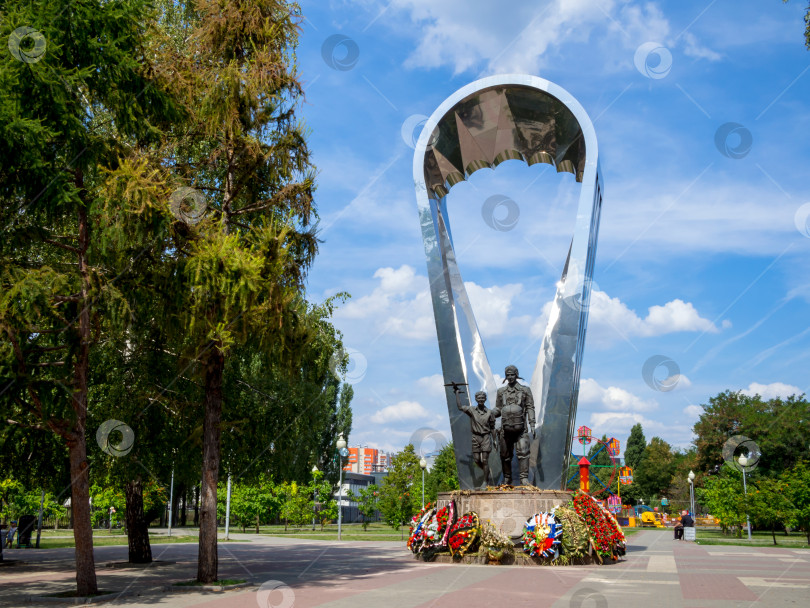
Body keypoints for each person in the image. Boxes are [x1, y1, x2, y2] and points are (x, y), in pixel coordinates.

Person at [496, 365, 536, 486]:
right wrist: (489, 414)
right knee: (505, 455)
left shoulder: (525, 390)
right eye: (508, 375)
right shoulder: (501, 391)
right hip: (505, 428)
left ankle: (524, 478)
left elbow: (530, 407)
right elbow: (498, 409)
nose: (510, 377)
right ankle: (507, 479)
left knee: (523, 452)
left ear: (516, 375)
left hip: (521, 429)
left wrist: (532, 424)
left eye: (512, 375)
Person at [454, 386, 500, 488]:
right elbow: (460, 407)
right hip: (475, 437)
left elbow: (492, 428)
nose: (481, 400)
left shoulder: (490, 413)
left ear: (485, 399)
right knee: (476, 460)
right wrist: (457, 394)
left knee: (484, 460)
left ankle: (485, 481)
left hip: (485, 437)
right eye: (479, 398)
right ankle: (486, 471)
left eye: (482, 398)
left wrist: (495, 440)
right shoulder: (472, 410)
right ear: (476, 399)